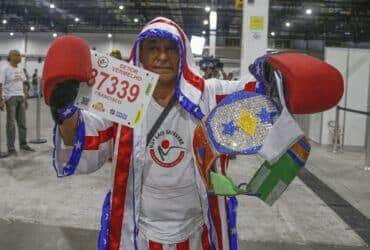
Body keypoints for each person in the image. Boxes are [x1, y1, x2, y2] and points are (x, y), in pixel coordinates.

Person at [43, 17, 342, 250]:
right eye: (153, 48)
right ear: (141, 55)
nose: (162, 56)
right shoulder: (122, 101)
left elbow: (258, 96)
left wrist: (277, 74)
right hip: (138, 231)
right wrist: (63, 110)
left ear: (182, 53)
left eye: (170, 48)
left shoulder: (209, 95)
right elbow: (83, 140)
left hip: (199, 230)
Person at [0, 50, 34, 156]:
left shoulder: (20, 69)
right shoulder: (5, 69)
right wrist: (1, 100)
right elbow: (0, 85)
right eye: (18, 55)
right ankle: (11, 148)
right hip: (10, 98)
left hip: (21, 97)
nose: (20, 57)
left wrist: (26, 99)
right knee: (11, 124)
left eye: (20, 55)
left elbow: (23, 84)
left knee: (22, 123)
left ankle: (23, 144)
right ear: (11, 56)